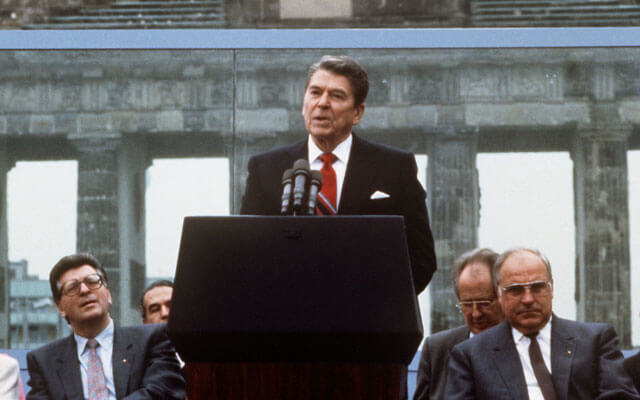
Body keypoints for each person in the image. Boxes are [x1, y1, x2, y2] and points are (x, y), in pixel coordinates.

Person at [240, 54, 436, 294]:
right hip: (289, 319)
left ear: (357, 112)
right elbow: (247, 252)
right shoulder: (265, 169)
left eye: (336, 96)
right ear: (303, 105)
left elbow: (422, 258)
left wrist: (377, 306)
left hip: (367, 321)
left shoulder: (395, 167)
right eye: (315, 93)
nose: (322, 103)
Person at [445, 247, 639, 400]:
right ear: (500, 294)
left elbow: (620, 396)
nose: (528, 299)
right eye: (516, 290)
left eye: (537, 287)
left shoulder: (594, 341)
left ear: (551, 288)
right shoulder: (471, 355)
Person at [26, 253, 185, 400]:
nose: (85, 290)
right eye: (72, 287)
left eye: (92, 281)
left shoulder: (151, 339)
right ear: (60, 307)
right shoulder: (43, 362)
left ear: (108, 294)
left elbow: (165, 391)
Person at [413, 248, 504, 400]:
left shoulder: (523, 345)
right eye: (467, 304)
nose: (476, 313)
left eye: (484, 303)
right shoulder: (436, 349)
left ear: (503, 298)